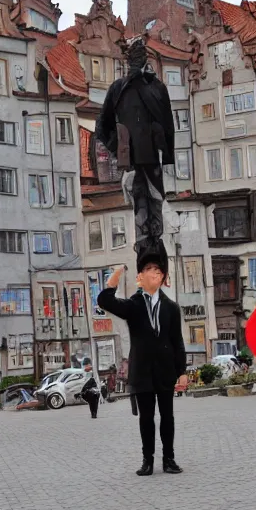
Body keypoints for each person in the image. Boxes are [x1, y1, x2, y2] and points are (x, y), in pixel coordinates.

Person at [97, 256, 187, 476]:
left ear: (163, 277)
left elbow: (178, 342)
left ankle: (169, 459)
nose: (153, 273)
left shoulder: (172, 307)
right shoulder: (133, 304)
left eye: (157, 270)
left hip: (165, 370)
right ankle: (147, 461)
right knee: (146, 419)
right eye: (148, 269)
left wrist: (182, 373)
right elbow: (105, 301)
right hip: (142, 371)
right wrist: (115, 277)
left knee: (168, 417)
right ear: (140, 277)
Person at [95, 38, 174, 262]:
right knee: (141, 202)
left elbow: (168, 127)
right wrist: (119, 148)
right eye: (135, 57)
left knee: (153, 201)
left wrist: (165, 155)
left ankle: (154, 245)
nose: (137, 62)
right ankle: (145, 247)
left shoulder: (156, 88)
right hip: (133, 159)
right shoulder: (120, 88)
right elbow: (102, 126)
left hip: (151, 158)